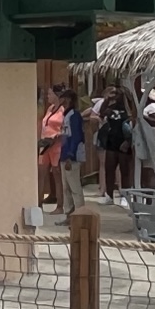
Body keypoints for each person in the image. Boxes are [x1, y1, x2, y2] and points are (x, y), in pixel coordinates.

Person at [54, 84, 88, 217]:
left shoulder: (74, 115)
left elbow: (76, 137)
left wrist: (70, 155)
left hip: (72, 155)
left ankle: (80, 214)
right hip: (64, 153)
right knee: (66, 187)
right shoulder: (66, 114)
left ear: (68, 100)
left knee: (75, 187)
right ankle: (69, 214)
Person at [95, 88, 130, 203]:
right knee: (109, 169)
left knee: (125, 171)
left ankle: (125, 196)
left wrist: (128, 141)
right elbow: (101, 113)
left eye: (117, 95)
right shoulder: (110, 109)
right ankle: (109, 195)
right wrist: (107, 99)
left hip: (124, 142)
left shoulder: (128, 110)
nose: (116, 97)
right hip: (111, 142)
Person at [38, 89, 65, 205]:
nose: (47, 96)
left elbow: (65, 128)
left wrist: (56, 136)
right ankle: (38, 202)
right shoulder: (50, 109)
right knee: (41, 172)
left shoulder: (62, 110)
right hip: (45, 144)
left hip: (56, 144)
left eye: (50, 94)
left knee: (56, 174)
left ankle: (60, 204)